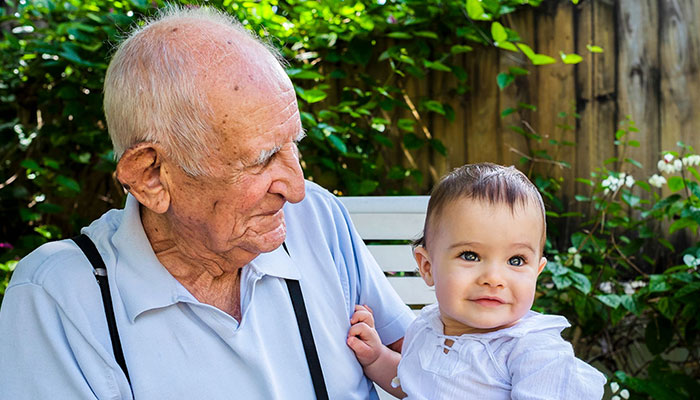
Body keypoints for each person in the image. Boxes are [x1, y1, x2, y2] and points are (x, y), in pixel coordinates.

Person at [0, 6, 414, 399]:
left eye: (294, 145)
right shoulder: (58, 299)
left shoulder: (316, 219)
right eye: (262, 158)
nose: (296, 188)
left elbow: (436, 367)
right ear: (151, 176)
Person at [347, 163, 606, 399]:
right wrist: (376, 358)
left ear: (536, 272)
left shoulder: (533, 351)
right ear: (427, 266)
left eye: (516, 260)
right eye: (470, 255)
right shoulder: (426, 329)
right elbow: (412, 385)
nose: (494, 278)